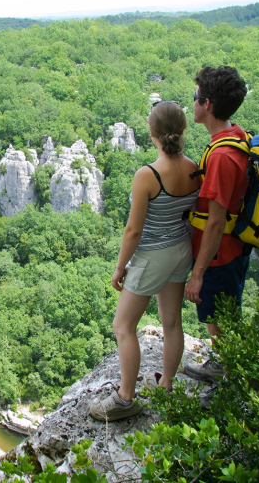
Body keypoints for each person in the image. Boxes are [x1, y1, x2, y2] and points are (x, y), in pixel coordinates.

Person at [90, 101, 200, 422]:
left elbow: (133, 230)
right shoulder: (195, 168)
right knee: (172, 323)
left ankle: (125, 398)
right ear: (181, 131)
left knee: (123, 326)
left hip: (152, 256)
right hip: (182, 249)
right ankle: (165, 386)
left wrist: (120, 266)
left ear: (152, 133)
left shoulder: (147, 175)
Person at [183, 66, 249, 385]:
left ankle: (227, 381)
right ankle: (226, 369)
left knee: (220, 321)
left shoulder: (222, 156)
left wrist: (197, 275)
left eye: (195, 98)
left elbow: (215, 222)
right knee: (221, 318)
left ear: (206, 104)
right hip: (229, 251)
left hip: (219, 256)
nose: (192, 103)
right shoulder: (235, 135)